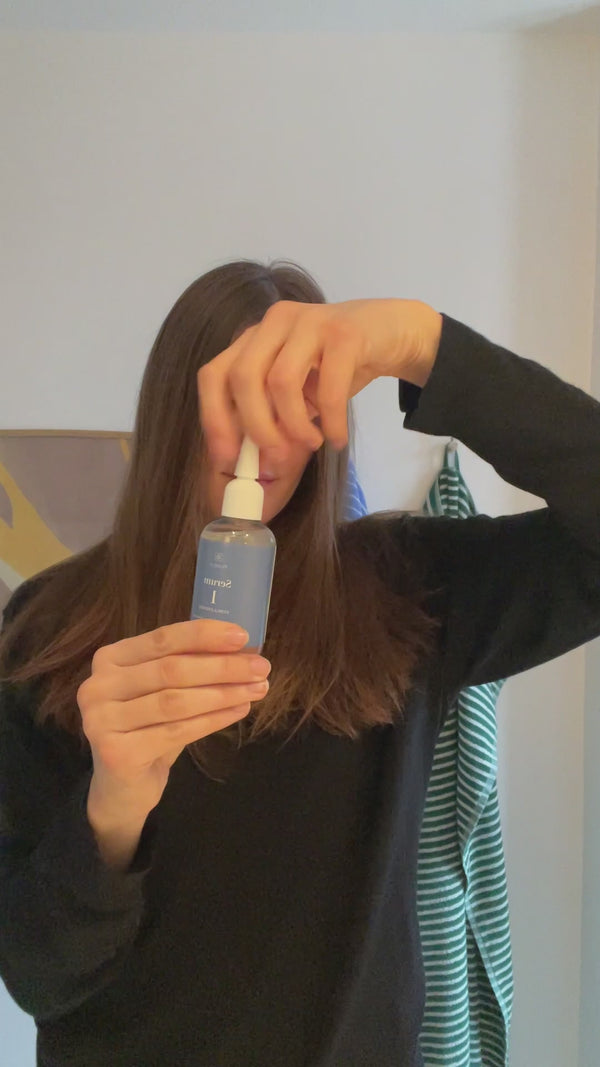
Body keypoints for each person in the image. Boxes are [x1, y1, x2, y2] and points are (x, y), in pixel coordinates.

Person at [1, 259, 599, 1067]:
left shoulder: (410, 588)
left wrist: (423, 344)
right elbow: (38, 972)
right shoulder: (47, 627)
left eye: (294, 404)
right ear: (175, 404)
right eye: (236, 399)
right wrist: (111, 808)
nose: (263, 435)